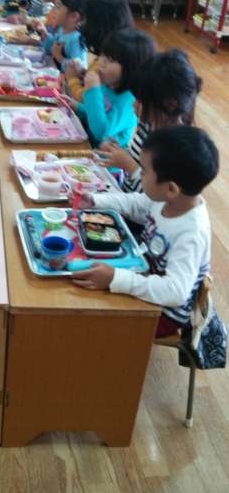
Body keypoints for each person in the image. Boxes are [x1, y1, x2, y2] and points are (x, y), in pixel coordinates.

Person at [72, 125, 219, 338]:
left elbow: (175, 292)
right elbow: (138, 204)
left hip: (162, 313)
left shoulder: (191, 234)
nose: (139, 175)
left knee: (85, 317)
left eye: (144, 171)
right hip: (141, 273)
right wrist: (95, 200)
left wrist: (116, 279)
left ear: (171, 188)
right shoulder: (168, 200)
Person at [98, 49, 201, 193]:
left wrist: (129, 166)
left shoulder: (177, 150)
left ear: (170, 105)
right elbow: (137, 157)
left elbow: (156, 199)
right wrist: (118, 150)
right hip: (124, 196)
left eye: (141, 101)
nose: (134, 105)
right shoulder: (148, 124)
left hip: (139, 206)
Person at [64, 28, 156, 147]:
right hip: (87, 146)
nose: (101, 62)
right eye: (103, 55)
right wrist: (76, 107)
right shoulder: (108, 85)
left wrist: (93, 91)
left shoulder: (128, 101)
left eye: (110, 60)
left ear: (131, 68)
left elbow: (101, 132)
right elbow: (95, 115)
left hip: (104, 157)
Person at [41, 0, 88, 70]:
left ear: (73, 16)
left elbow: (79, 70)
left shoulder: (77, 40)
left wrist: (59, 57)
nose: (53, 10)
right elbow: (51, 49)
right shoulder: (61, 30)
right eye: (54, 5)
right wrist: (45, 35)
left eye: (58, 6)